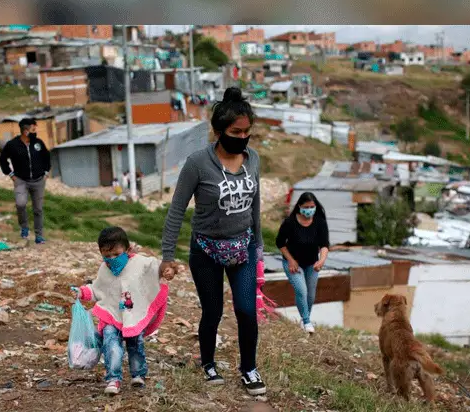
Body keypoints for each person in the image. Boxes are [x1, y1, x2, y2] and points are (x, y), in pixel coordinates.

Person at [159, 86, 267, 396]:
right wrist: (168, 255)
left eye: (247, 132)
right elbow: (177, 210)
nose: (243, 137)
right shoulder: (198, 163)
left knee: (246, 310)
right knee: (213, 310)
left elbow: (255, 205)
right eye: (236, 131)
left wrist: (258, 248)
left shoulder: (254, 159)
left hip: (243, 247)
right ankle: (208, 362)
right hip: (206, 249)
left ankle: (249, 369)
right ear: (219, 131)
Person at [74, 227, 173, 395]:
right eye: (106, 256)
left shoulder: (140, 263)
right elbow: (98, 289)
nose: (111, 259)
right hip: (112, 315)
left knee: (136, 345)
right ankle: (113, 378)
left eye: (116, 255)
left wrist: (169, 270)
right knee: (111, 345)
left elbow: (157, 269)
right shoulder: (104, 269)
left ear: (128, 250)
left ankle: (138, 374)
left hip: (132, 314)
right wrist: (81, 292)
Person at [276, 192, 330, 334]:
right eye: (306, 207)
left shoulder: (320, 222)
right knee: (302, 290)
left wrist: (321, 260)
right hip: (294, 263)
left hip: (312, 264)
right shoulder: (290, 222)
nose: (309, 209)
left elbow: (324, 244)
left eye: (312, 206)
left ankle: (305, 319)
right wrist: (291, 260)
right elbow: (280, 243)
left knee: (310, 295)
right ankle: (306, 322)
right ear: (299, 206)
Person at [0, 117, 51, 244]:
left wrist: (46, 172)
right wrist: (11, 174)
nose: (35, 131)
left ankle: (39, 235)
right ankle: (24, 228)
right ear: (26, 131)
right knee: (20, 204)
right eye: (33, 129)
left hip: (38, 181)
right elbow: (2, 159)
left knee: (38, 209)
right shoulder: (12, 145)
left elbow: (47, 157)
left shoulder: (38, 143)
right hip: (21, 180)